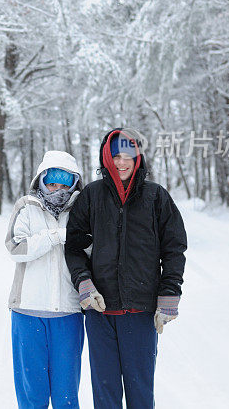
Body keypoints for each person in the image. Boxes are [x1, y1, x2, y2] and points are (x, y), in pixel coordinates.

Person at [64, 128, 187, 409]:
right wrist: (84, 282)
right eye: (115, 156)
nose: (122, 163)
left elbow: (174, 248)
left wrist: (169, 294)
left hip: (141, 314)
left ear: (138, 158)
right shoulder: (91, 196)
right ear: (106, 158)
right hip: (100, 312)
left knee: (140, 392)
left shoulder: (156, 197)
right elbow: (74, 247)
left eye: (128, 156)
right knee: (105, 392)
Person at [5, 150, 86, 408]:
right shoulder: (27, 207)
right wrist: (56, 236)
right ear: (41, 180)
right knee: (32, 395)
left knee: (66, 395)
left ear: (74, 184)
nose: (58, 190)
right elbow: (16, 248)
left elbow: (92, 250)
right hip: (27, 312)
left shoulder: (83, 211)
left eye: (65, 184)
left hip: (69, 314)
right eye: (52, 183)